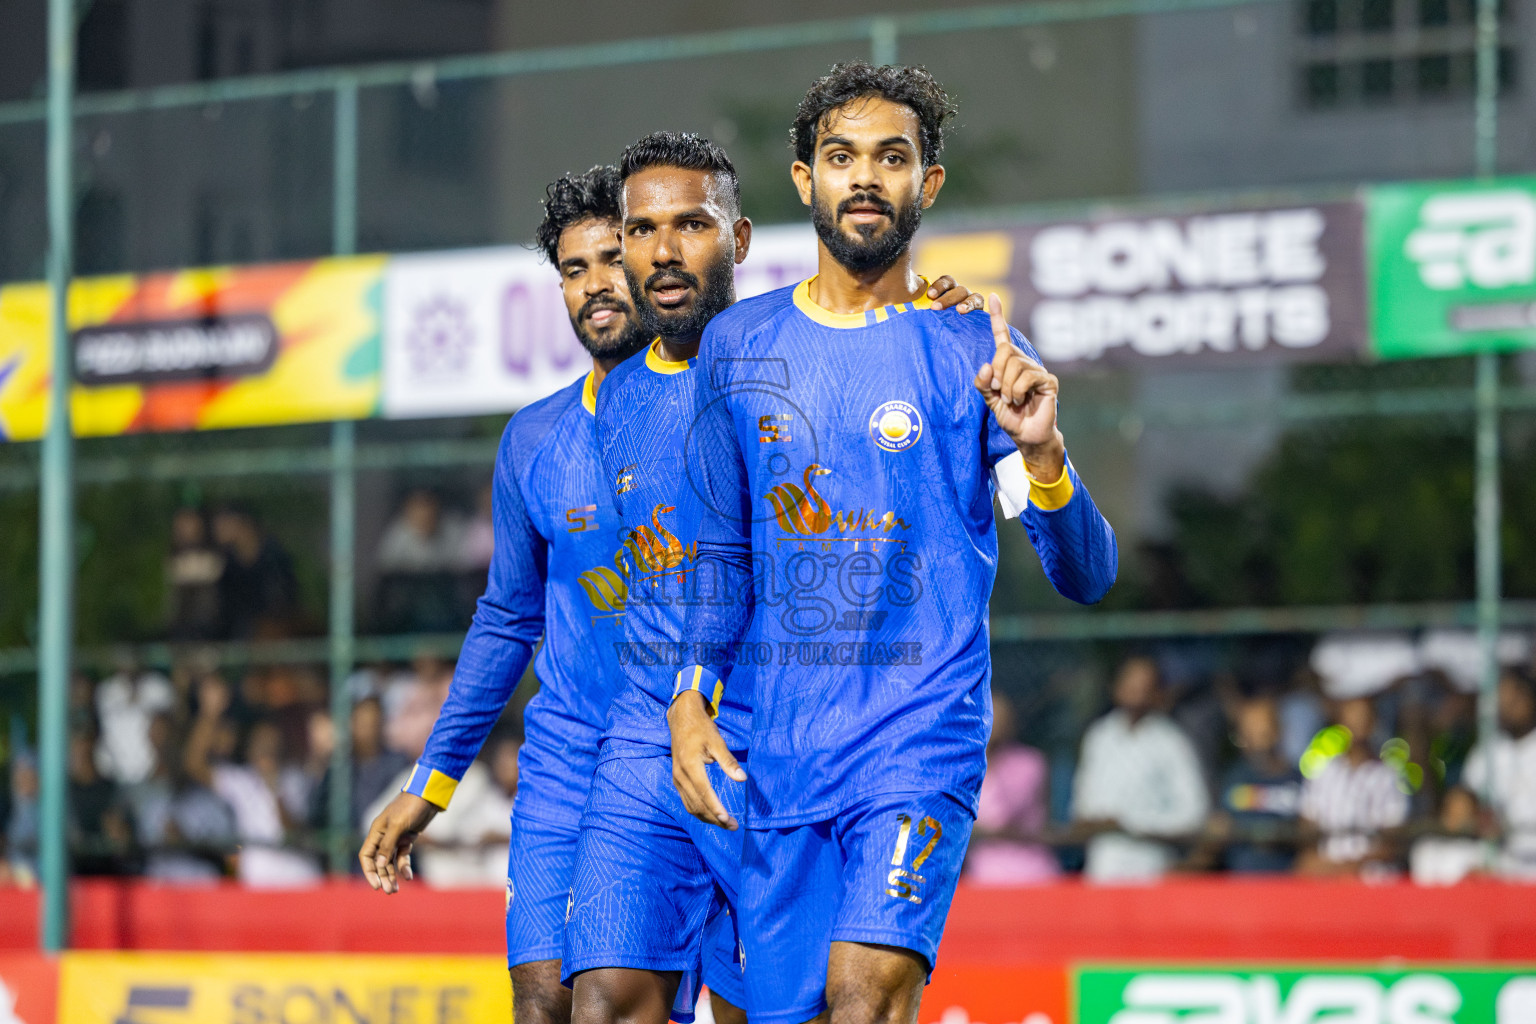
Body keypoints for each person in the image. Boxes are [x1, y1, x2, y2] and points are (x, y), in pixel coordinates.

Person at [669, 64, 1117, 1024]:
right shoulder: (737, 346)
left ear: (929, 182)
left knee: (864, 998)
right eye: (842, 157)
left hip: (918, 741)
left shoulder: (977, 348)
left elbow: (1088, 574)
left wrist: (1044, 454)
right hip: (777, 756)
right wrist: (689, 698)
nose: (865, 177)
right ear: (805, 179)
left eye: (892, 157)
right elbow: (722, 556)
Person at [569, 134, 982, 1024]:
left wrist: (934, 313)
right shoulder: (611, 401)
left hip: (789, 745)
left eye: (692, 226)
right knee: (593, 999)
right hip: (656, 743)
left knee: (792, 1007)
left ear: (741, 238)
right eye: (639, 232)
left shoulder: (787, 351)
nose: (664, 252)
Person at [358, 166, 655, 1024]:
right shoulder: (533, 438)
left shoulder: (720, 405)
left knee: (619, 1004)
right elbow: (506, 621)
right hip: (563, 763)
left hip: (680, 756)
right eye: (574, 269)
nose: (596, 284)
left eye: (613, 258)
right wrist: (432, 781)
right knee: (541, 1002)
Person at [1073, 657, 1209, 881]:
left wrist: (1130, 824)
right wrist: (1091, 820)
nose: (1136, 692)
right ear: (1116, 687)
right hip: (1101, 866)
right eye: (1130, 683)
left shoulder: (1171, 742)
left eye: (1144, 686)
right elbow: (1083, 802)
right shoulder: (1099, 736)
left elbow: (1193, 814)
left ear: (1158, 693)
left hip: (1150, 866)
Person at [1295, 696, 1409, 877]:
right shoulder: (1323, 772)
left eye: (1364, 716)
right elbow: (1308, 825)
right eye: (1353, 715)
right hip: (1328, 871)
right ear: (1341, 720)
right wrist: (1320, 861)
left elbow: (1393, 838)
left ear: (1373, 722)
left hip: (1371, 874)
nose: (1359, 722)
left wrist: (1352, 867)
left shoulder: (1389, 775)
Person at [965, 690, 1058, 884]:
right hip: (983, 873)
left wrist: (990, 757)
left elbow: (1001, 817)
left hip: (1031, 872)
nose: (992, 722)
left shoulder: (1030, 762)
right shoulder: (966, 765)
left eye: (999, 716)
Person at [1212, 696, 1303, 873]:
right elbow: (1218, 828)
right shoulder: (1232, 779)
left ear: (1278, 730)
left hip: (1289, 879)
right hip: (1241, 880)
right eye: (1249, 731)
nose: (1258, 738)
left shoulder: (1299, 781)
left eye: (1263, 729)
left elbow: (1310, 833)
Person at [1461, 667, 1536, 879]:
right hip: (1500, 852)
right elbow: (1466, 804)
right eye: (1502, 700)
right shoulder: (1486, 752)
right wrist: (1476, 814)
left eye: (1514, 698)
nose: (1508, 706)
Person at [212, 504, 300, 639]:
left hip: (273, 628)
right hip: (239, 630)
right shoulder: (228, 561)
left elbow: (283, 597)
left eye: (224, 523)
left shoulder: (273, 554)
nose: (218, 530)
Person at [166, 505, 225, 641]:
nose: (184, 529)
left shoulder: (214, 555)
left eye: (189, 523)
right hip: (178, 629)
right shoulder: (172, 556)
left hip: (208, 629)